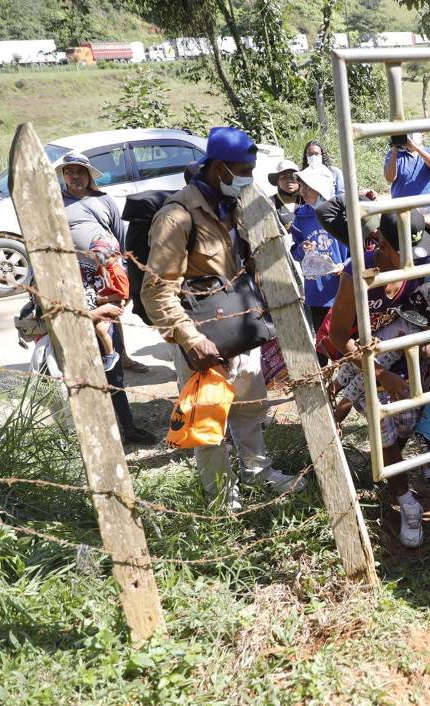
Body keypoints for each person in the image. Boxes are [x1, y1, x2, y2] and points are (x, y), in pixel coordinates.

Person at [143, 126, 307, 506]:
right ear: (218, 168)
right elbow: (157, 289)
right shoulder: (177, 217)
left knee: (251, 406)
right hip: (204, 336)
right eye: (243, 169)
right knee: (209, 419)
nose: (248, 177)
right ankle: (220, 495)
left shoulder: (238, 206)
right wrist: (190, 339)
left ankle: (258, 471)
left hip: (242, 326)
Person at [327, 210, 430, 544]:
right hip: (360, 355)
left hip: (400, 354)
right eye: (403, 251)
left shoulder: (415, 269)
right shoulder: (357, 274)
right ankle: (406, 501)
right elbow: (337, 337)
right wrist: (379, 373)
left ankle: (389, 466)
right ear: (383, 244)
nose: (412, 261)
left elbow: (422, 318)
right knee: (384, 425)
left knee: (405, 422)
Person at [56, 151, 156, 445]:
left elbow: (120, 242)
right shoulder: (54, 204)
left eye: (80, 171)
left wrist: (123, 285)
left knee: (112, 365)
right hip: (72, 285)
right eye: (69, 171)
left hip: (105, 283)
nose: (75, 176)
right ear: (63, 176)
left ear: (89, 175)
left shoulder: (104, 201)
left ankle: (127, 426)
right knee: (81, 365)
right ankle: (93, 430)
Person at [291, 163, 347, 340]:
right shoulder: (301, 216)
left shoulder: (343, 214)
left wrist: (344, 266)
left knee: (345, 340)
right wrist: (302, 248)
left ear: (321, 187)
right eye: (303, 186)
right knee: (322, 342)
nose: (303, 191)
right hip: (317, 291)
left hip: (343, 288)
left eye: (308, 187)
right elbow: (295, 252)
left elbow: (360, 251)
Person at [384, 132, 430, 200]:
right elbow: (390, 178)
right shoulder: (394, 154)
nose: (409, 136)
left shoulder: (429, 151)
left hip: (426, 204)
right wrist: (395, 149)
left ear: (422, 136)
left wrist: (417, 148)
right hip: (402, 206)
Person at [266, 159, 300, 234]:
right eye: (284, 177)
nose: (289, 180)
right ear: (277, 181)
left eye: (293, 177)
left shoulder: (307, 200)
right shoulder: (269, 203)